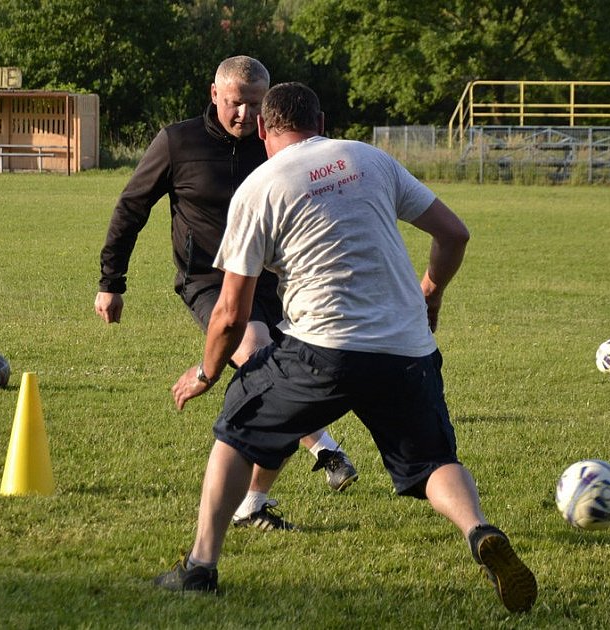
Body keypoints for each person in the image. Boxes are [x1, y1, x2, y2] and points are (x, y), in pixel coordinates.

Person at [155, 82, 538, 614]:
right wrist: (431, 291)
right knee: (431, 463)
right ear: (323, 120)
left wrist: (205, 371)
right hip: (407, 347)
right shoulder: (370, 160)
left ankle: (199, 568)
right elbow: (454, 233)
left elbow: (229, 312)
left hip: (322, 349)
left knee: (237, 432)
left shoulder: (261, 185)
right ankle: (478, 530)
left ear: (265, 128)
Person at [94, 56, 358, 531]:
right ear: (215, 95)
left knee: (285, 375)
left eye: (256, 106)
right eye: (237, 104)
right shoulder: (178, 142)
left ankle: (253, 504)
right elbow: (131, 207)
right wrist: (111, 282)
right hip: (209, 279)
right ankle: (325, 448)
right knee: (258, 354)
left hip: (276, 277)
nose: (245, 116)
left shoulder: (275, 144)